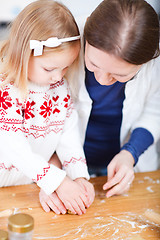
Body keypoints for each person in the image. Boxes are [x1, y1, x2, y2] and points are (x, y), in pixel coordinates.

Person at [0, 0, 95, 216]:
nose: (57, 76)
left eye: (65, 68)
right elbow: (15, 149)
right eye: (50, 68)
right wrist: (57, 182)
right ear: (23, 53)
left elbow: (67, 134)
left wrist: (78, 175)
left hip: (32, 180)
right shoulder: (6, 89)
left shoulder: (59, 86)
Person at [73, 0, 160, 198]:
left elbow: (155, 113)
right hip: (62, 164)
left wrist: (130, 153)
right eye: (93, 64)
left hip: (126, 168)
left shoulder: (155, 65)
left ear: (147, 61)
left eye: (119, 75)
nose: (103, 80)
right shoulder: (62, 40)